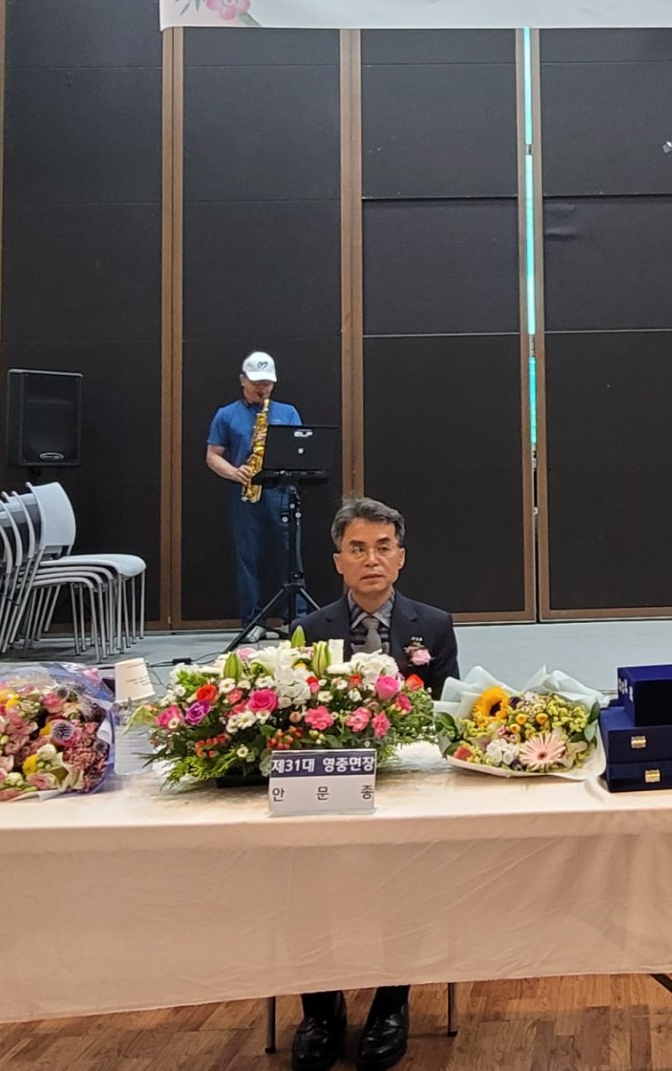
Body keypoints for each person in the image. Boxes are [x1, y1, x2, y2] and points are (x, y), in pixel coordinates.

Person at [289, 495, 460, 1071]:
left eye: (383, 548)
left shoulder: (433, 625)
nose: (371, 560)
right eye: (357, 549)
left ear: (401, 557)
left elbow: (447, 716)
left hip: (406, 786)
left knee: (404, 880)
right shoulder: (309, 631)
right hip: (329, 786)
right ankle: (321, 1009)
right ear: (338, 561)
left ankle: (391, 1004)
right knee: (301, 879)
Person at [206, 351, 303, 636]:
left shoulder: (288, 412)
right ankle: (252, 620)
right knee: (247, 558)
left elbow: (300, 449)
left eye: (267, 383)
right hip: (245, 494)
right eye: (256, 382)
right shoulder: (226, 414)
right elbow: (212, 455)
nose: (262, 388)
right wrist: (234, 472)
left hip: (281, 492)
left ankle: (295, 618)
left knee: (291, 556)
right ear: (242, 380)